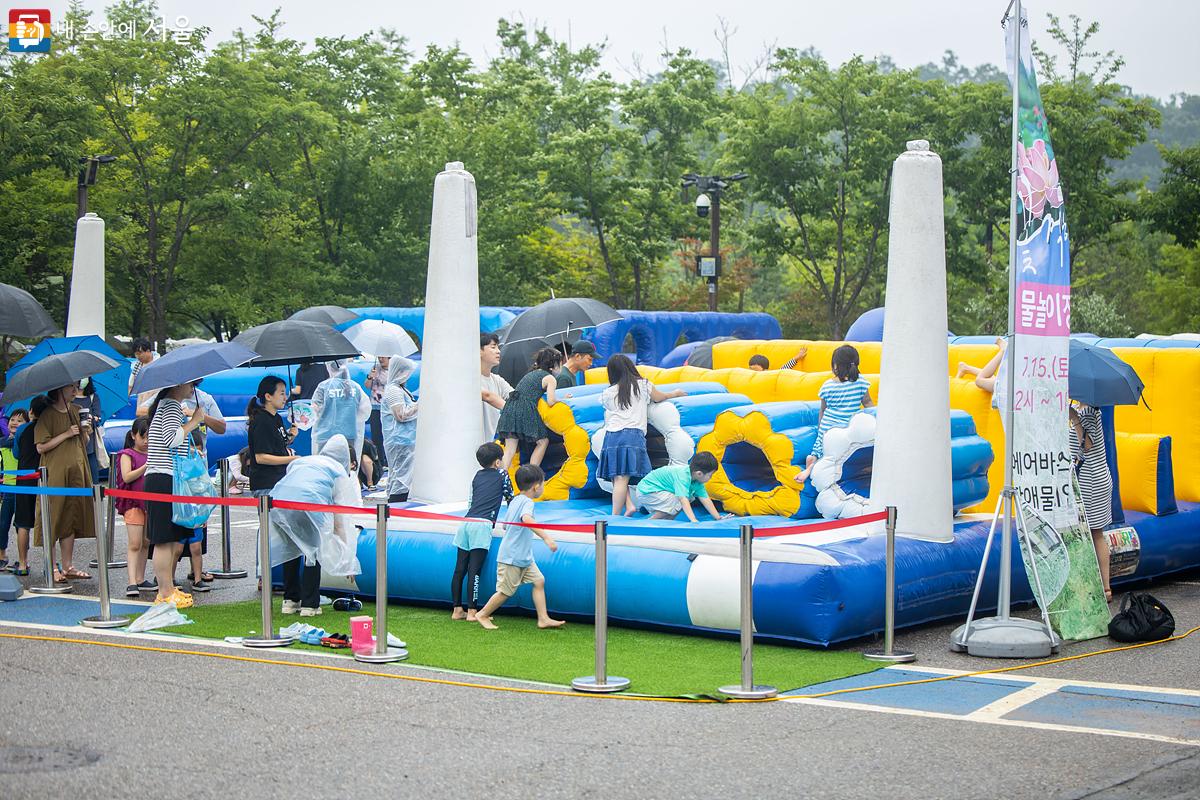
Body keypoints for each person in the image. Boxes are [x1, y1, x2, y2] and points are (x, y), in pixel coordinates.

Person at [268, 434, 362, 616]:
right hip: (309, 503)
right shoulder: (337, 471)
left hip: (279, 502)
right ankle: (310, 604)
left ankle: (290, 600)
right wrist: (347, 559)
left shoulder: (304, 461)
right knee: (313, 552)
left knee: (290, 549)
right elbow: (339, 523)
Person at [475, 464, 564, 631]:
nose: (543, 487)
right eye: (543, 484)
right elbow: (526, 519)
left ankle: (543, 618)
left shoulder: (515, 500)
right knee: (505, 592)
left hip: (523, 556)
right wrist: (546, 538)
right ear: (536, 487)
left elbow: (506, 526)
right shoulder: (527, 502)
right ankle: (483, 614)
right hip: (513, 557)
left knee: (539, 581)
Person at [598, 354, 686, 516]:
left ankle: (626, 508)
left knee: (617, 475)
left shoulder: (608, 392)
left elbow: (610, 409)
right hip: (632, 435)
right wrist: (675, 393)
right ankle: (616, 515)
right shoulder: (642, 385)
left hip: (612, 436)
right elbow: (659, 397)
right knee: (621, 478)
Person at [143, 382, 205, 608]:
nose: (193, 388)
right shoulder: (170, 406)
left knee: (169, 538)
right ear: (179, 384)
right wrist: (194, 422)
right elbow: (171, 440)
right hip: (163, 478)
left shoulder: (166, 405)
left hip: (165, 478)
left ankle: (167, 588)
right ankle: (164, 591)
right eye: (192, 384)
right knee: (163, 540)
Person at [34, 383, 96, 583]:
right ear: (59, 389)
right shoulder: (47, 415)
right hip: (55, 473)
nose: (75, 390)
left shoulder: (77, 410)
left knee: (71, 516)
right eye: (71, 387)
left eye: (76, 386)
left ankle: (68, 565)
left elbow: (83, 442)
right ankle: (52, 566)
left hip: (77, 471)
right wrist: (66, 434)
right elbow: (41, 447)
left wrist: (85, 432)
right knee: (54, 517)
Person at [451, 442, 513, 622]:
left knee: (459, 569)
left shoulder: (476, 476)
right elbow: (510, 498)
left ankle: (457, 610)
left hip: (466, 522)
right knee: (475, 570)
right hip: (482, 525)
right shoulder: (502, 474)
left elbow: (471, 502)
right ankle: (472, 611)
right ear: (497, 462)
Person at [174, 383, 226, 593]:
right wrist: (181, 414)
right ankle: (167, 575)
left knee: (198, 525)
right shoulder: (168, 395)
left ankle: (196, 572)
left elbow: (222, 427)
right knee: (175, 529)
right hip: (176, 471)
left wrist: (200, 417)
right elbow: (142, 411)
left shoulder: (204, 398)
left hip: (198, 471)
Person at [795, 345, 873, 484]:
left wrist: (820, 428)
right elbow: (868, 403)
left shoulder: (827, 385)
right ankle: (817, 467)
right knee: (842, 451)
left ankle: (812, 461)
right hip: (847, 426)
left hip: (828, 425)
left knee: (821, 447)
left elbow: (823, 410)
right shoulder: (860, 382)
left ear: (835, 365)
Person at [1071, 402, 1115, 601]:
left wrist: (1074, 418)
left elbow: (1087, 445)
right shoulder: (1077, 407)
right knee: (1094, 534)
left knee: (1094, 533)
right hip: (1088, 480)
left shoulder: (1090, 410)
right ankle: (1102, 587)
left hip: (1091, 481)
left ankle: (1102, 588)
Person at [495, 347, 562, 470]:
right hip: (525, 409)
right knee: (543, 441)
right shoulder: (550, 378)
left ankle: (500, 476)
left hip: (510, 407)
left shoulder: (531, 373)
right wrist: (563, 399)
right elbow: (551, 401)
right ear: (553, 365)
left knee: (509, 450)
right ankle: (531, 473)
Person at [9, 397, 48, 576]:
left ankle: (23, 564)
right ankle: (51, 564)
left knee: (23, 523)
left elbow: (16, 454)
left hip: (24, 478)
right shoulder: (49, 429)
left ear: (31, 411)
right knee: (47, 521)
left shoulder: (22, 429)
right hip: (45, 478)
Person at [632, 452, 728, 522]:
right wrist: (693, 520)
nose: (710, 478)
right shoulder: (683, 476)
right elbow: (683, 500)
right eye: (710, 475)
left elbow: (706, 499)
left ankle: (668, 523)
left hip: (659, 491)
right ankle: (651, 522)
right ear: (699, 473)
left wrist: (718, 517)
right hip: (647, 490)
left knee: (686, 499)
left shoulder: (697, 482)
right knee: (679, 501)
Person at [115, 418, 152, 596]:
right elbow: (127, 476)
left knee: (146, 542)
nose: (146, 441)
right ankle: (131, 581)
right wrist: (146, 466)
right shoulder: (126, 454)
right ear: (133, 435)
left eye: (149, 437)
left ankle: (140, 578)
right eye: (142, 437)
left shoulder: (152, 453)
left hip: (149, 503)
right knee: (135, 543)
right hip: (132, 503)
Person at [313, 360, 371, 458]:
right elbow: (365, 411)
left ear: (329, 367)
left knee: (325, 464)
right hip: (348, 434)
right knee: (346, 464)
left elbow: (315, 410)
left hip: (325, 435)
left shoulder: (323, 386)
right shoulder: (355, 387)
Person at [380, 356, 418, 503]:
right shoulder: (393, 390)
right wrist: (419, 404)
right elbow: (400, 414)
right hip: (400, 440)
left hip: (404, 438)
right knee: (400, 476)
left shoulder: (401, 389)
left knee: (400, 475)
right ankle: (396, 504)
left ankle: (396, 502)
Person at [0, 408, 29, 571]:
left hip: (23, 488)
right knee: (2, 523)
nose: (15, 423)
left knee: (21, 526)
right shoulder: (2, 442)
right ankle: (2, 555)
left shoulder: (26, 442)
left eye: (20, 421)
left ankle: (23, 559)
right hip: (7, 488)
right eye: (12, 419)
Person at [479, 333, 512, 442]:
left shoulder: (497, 380)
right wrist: (513, 411)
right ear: (479, 351)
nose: (498, 351)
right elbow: (487, 396)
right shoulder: (471, 380)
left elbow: (515, 395)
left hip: (492, 443)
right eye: (493, 347)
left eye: (498, 347)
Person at [72, 378, 105, 483]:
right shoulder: (69, 399)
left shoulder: (93, 397)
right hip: (73, 441)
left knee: (93, 477)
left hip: (89, 444)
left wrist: (91, 418)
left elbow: (98, 416)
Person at [364, 356, 390, 466]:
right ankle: (380, 462)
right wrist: (370, 377)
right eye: (379, 357)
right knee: (376, 436)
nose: (380, 359)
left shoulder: (394, 370)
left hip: (388, 408)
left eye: (383, 357)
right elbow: (367, 385)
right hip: (375, 406)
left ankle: (389, 461)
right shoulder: (375, 368)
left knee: (388, 435)